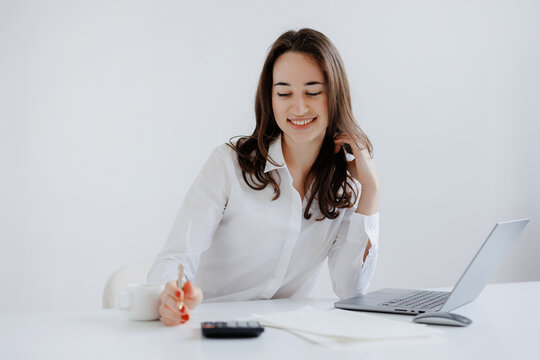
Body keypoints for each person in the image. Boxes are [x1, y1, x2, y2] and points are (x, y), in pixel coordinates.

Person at [147, 28, 380, 327]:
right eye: (284, 93)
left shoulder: (342, 186)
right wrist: (169, 293)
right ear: (270, 98)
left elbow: (350, 292)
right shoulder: (229, 164)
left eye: (312, 92)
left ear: (334, 96)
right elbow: (175, 258)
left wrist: (370, 192)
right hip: (212, 332)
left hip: (286, 338)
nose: (298, 107)